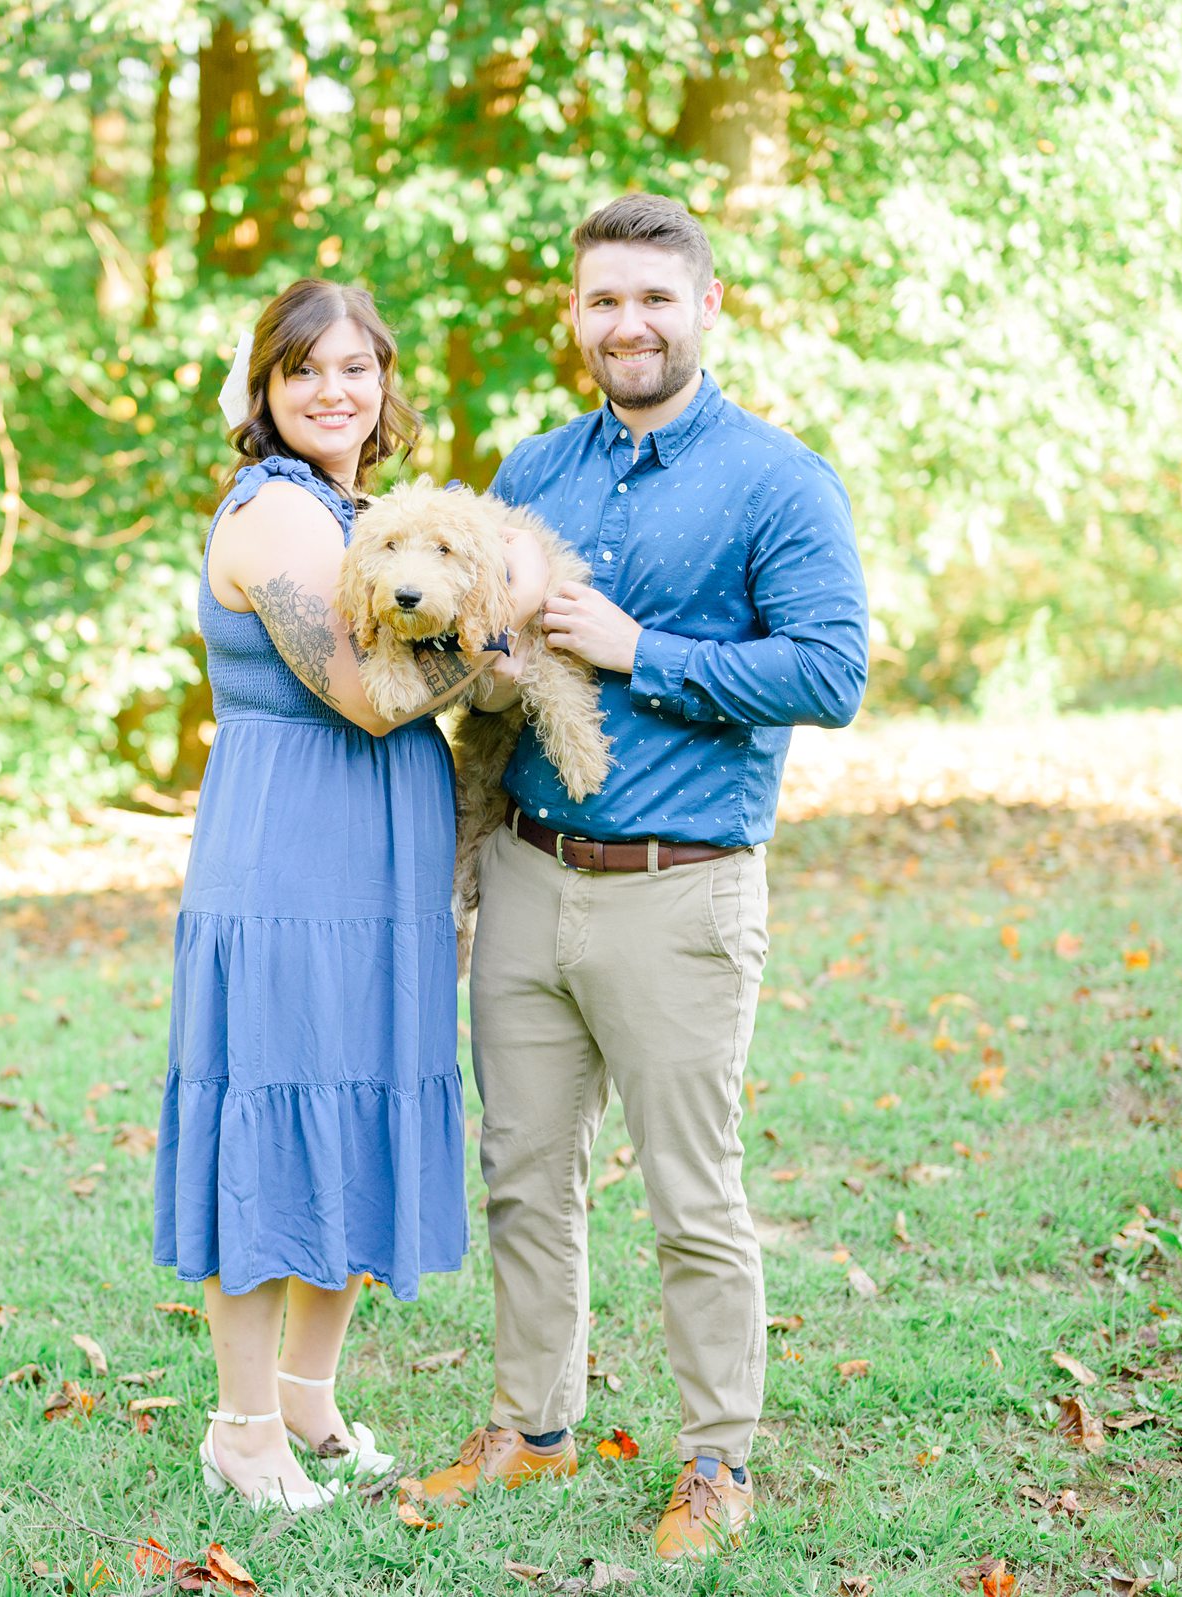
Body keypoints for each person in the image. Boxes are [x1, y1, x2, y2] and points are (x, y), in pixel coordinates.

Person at [408, 195, 869, 1559]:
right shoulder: (531, 469)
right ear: (576, 314)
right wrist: (479, 672)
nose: (629, 323)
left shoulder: (781, 480)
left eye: (656, 299)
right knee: (525, 1173)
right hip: (529, 874)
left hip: (684, 888)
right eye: (605, 300)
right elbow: (480, 662)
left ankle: (716, 1462)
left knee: (692, 1193)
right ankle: (531, 1430)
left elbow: (830, 673)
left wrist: (635, 646)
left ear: (707, 308)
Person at [151, 277, 547, 1512]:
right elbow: (369, 696)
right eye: (304, 371)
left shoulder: (359, 509)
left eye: (356, 369)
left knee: (361, 1096)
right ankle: (241, 1425)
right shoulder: (274, 516)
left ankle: (312, 1400)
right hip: (286, 850)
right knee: (275, 1105)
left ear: (385, 386)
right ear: (264, 392)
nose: (334, 391)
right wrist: (497, 626)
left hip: (382, 849)